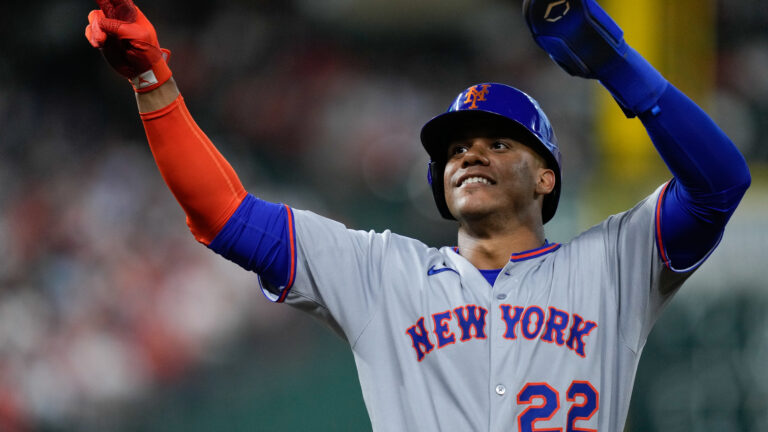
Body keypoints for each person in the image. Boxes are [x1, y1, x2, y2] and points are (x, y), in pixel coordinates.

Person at [85, 0, 750, 430]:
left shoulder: (613, 264)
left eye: (497, 141)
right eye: (456, 147)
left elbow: (720, 183)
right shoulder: (382, 272)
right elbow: (223, 215)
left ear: (547, 175)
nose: (470, 155)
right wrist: (153, 83)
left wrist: (615, 64)